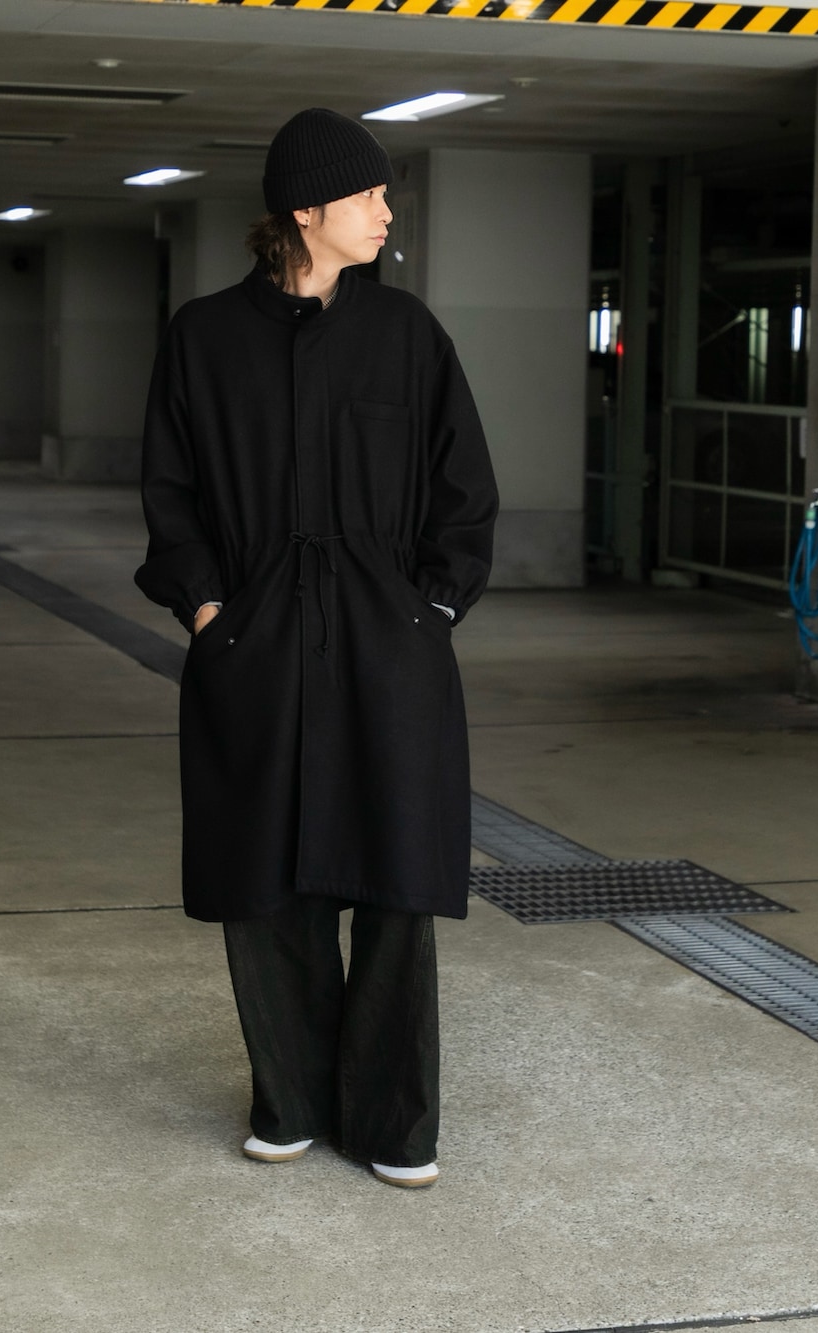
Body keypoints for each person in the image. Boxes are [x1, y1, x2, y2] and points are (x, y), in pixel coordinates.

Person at [135, 107, 498, 1188]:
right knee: (266, 879)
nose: (387, 211)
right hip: (257, 640)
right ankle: (287, 1099)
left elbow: (464, 488)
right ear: (306, 210)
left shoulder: (407, 334)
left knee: (397, 883)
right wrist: (209, 610)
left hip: (388, 646)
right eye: (369, 194)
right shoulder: (204, 338)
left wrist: (432, 611)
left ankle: (393, 1123)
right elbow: (170, 491)